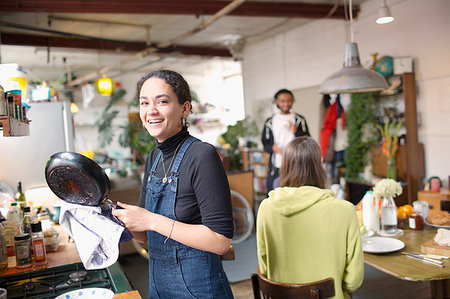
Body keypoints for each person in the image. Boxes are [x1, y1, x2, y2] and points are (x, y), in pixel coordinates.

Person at [112, 70, 234, 298]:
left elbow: (220, 241)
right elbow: (147, 236)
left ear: (185, 108)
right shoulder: (153, 157)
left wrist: (150, 219)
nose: (152, 110)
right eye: (144, 103)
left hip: (198, 289)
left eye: (162, 101)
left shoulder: (202, 155)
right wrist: (120, 220)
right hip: (159, 286)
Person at [256, 136, 364, 299]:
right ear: (320, 165)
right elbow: (353, 281)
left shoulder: (266, 208)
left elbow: (264, 269)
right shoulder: (345, 211)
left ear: (284, 167)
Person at [261, 89, 309, 192]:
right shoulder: (270, 122)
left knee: (296, 191)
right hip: (277, 166)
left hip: (297, 164)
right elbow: (265, 143)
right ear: (276, 101)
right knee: (274, 191)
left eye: (289, 100)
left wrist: (296, 131)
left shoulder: (299, 120)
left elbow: (307, 140)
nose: (286, 104)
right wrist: (273, 148)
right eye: (283, 101)